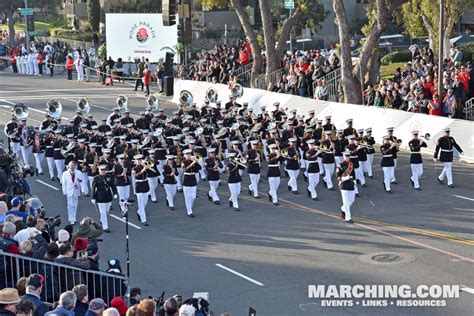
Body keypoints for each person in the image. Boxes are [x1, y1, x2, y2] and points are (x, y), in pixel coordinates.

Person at [92, 165, 118, 232]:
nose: (103, 171)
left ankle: (101, 220)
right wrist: (93, 197)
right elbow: (93, 188)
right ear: (99, 170)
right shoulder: (96, 178)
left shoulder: (108, 177)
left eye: (104, 170)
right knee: (103, 212)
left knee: (107, 211)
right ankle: (105, 227)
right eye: (101, 170)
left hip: (108, 195)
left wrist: (115, 193)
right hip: (100, 195)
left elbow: (112, 185)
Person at [336, 151, 355, 224]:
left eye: (348, 156)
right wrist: (345, 178)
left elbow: (353, 175)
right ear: (343, 156)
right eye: (346, 156)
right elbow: (338, 177)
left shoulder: (351, 164)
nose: (347, 157)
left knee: (352, 200)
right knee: (346, 202)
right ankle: (348, 218)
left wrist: (355, 181)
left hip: (351, 184)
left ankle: (343, 209)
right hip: (343, 185)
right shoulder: (340, 165)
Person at [181, 149, 201, 217]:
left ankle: (190, 207)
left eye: (189, 154)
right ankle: (189, 211)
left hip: (193, 179)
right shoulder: (184, 161)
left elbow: (200, 168)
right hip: (186, 179)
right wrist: (192, 163)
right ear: (185, 155)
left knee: (193, 197)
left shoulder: (194, 161)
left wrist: (196, 162)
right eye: (187, 154)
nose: (189, 156)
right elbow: (185, 169)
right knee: (187, 197)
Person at [132, 155, 150, 226]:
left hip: (145, 185)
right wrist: (142, 171)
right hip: (139, 186)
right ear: (135, 161)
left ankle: (139, 212)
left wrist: (147, 167)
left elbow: (151, 172)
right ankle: (144, 220)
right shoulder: (134, 168)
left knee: (145, 202)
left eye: (140, 160)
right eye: (138, 160)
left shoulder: (144, 166)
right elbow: (135, 176)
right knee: (141, 204)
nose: (139, 161)